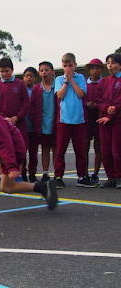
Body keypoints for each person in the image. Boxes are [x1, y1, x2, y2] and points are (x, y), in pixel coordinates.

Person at [54, 53, 94, 188]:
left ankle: (82, 176)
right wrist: (66, 81)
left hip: (79, 120)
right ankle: (58, 176)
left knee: (80, 150)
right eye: (65, 66)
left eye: (70, 65)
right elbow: (60, 95)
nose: (68, 68)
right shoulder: (59, 79)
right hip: (64, 120)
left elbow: (81, 94)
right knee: (60, 150)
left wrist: (72, 80)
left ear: (75, 65)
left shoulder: (80, 78)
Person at [0, 58, 30, 181]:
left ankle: (20, 176)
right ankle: (4, 177)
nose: (4, 74)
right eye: (1, 71)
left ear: (12, 70)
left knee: (21, 150)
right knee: (4, 150)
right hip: (2, 125)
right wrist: (3, 118)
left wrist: (17, 117)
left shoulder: (20, 84)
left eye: (7, 71)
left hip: (19, 123)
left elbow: (26, 104)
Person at [95, 53, 121, 188]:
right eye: (108, 63)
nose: (110, 65)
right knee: (106, 150)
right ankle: (110, 176)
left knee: (117, 150)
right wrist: (106, 108)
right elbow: (98, 99)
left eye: (113, 62)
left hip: (117, 121)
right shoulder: (103, 81)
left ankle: (119, 177)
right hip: (103, 120)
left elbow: (118, 102)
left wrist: (111, 113)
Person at [31, 61, 58, 183]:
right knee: (45, 148)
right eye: (41, 70)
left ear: (52, 71)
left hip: (56, 122)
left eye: (46, 70)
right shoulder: (37, 89)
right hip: (42, 124)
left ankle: (58, 174)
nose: (44, 72)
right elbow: (32, 106)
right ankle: (46, 173)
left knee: (56, 149)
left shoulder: (58, 86)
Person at [84, 58, 104, 185]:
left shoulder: (104, 83)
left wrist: (98, 105)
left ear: (101, 69)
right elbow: (80, 97)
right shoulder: (85, 84)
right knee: (84, 146)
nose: (94, 70)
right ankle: (84, 173)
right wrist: (87, 103)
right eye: (92, 68)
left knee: (98, 147)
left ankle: (95, 173)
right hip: (86, 118)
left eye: (97, 68)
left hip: (99, 117)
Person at [22, 67, 39, 182]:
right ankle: (22, 173)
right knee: (22, 152)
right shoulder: (20, 90)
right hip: (22, 126)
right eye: (27, 75)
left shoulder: (37, 90)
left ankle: (32, 173)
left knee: (33, 152)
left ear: (35, 78)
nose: (29, 78)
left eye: (31, 76)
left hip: (33, 126)